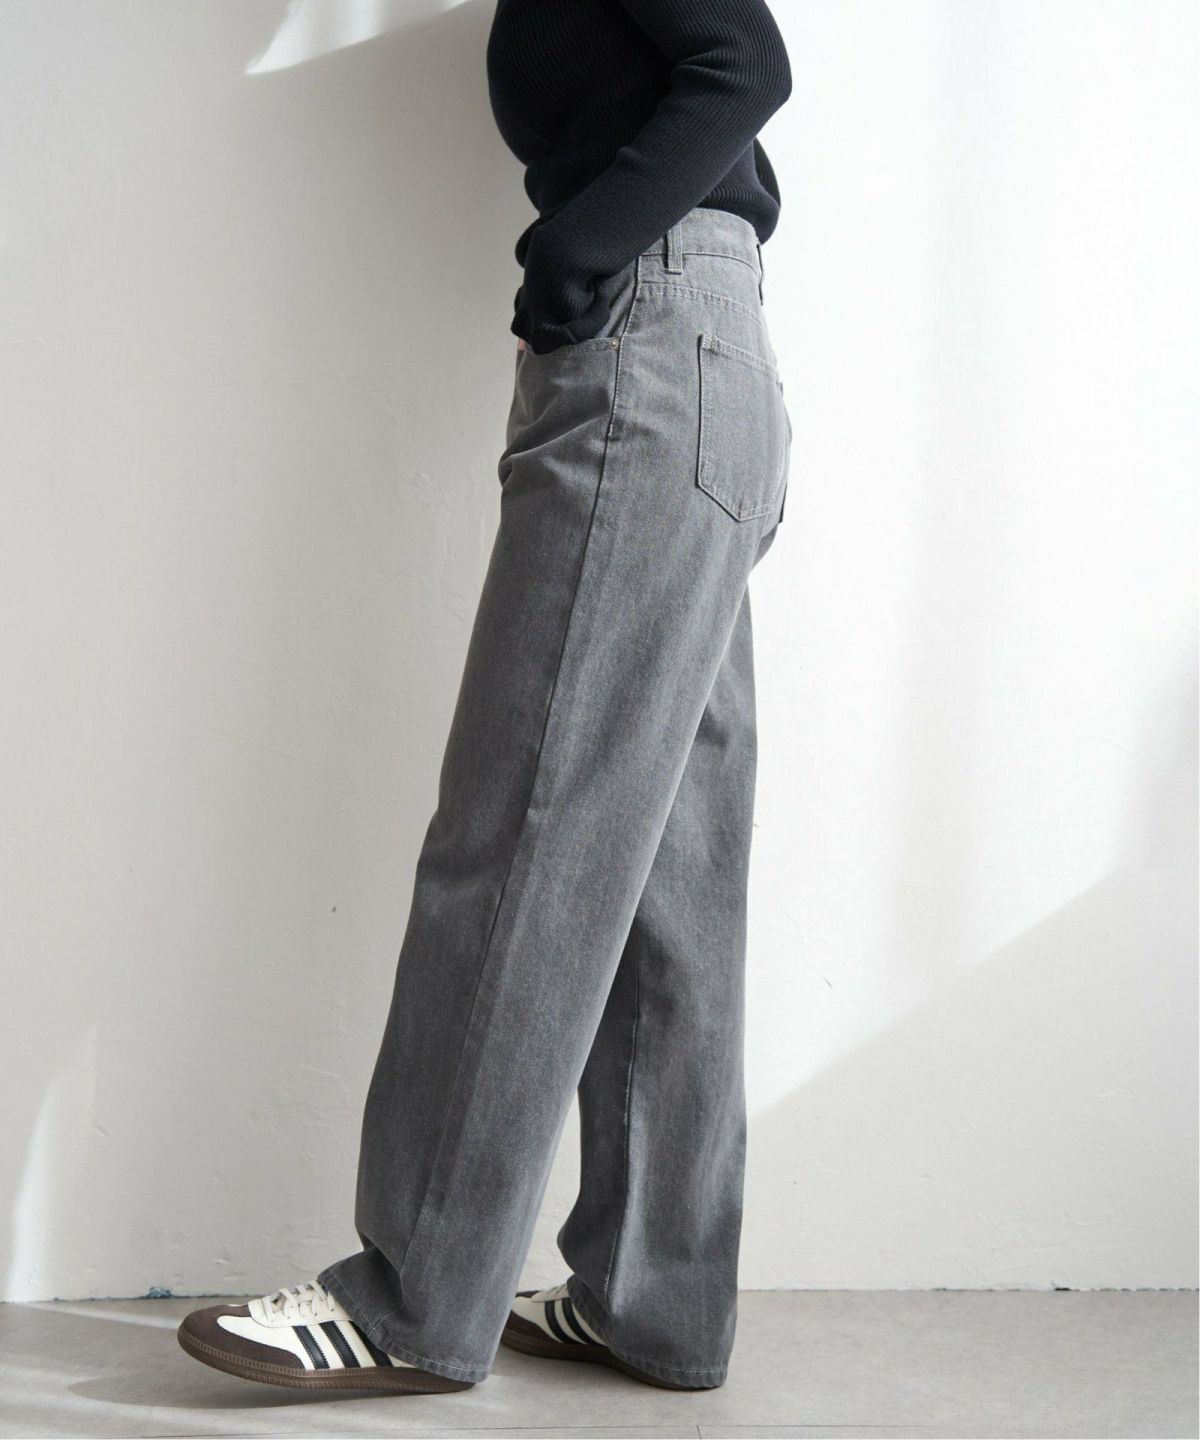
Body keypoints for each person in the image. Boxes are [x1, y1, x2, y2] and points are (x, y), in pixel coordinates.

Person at [178, 0, 793, 1396]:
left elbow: (745, 64)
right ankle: (655, 1301)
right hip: (710, 359)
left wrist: (568, 259)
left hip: (650, 355)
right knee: (667, 881)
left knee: (519, 831)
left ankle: (410, 1296)